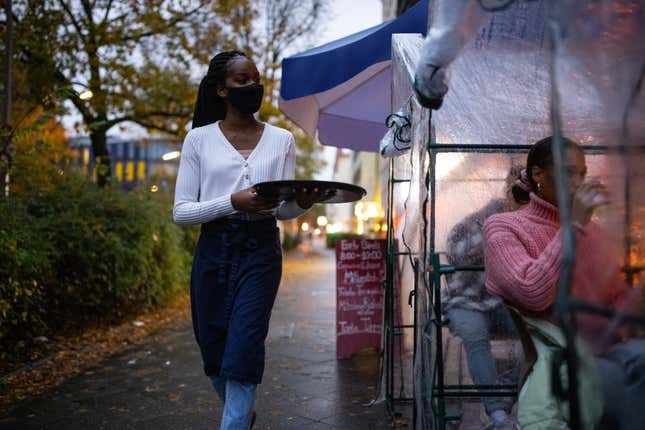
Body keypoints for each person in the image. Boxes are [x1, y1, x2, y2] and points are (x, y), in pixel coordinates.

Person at [173, 51, 326, 430]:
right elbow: (181, 212)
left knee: (243, 348)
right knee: (213, 348)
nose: (253, 87)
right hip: (214, 249)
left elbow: (281, 210)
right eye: (243, 81)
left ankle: (235, 420)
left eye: (256, 79)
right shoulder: (198, 140)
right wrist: (231, 201)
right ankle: (240, 412)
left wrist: (301, 205)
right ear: (221, 90)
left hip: (260, 251)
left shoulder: (282, 140)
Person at [483, 136, 645, 430]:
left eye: (582, 174)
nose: (578, 182)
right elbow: (532, 293)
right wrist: (574, 227)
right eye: (568, 172)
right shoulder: (503, 227)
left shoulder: (593, 232)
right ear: (538, 174)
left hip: (605, 348)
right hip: (564, 355)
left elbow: (618, 302)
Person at [443, 166, 523, 430]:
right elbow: (454, 249)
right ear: (507, 186)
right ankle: (497, 412)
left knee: (539, 335)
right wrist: (495, 231)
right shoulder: (488, 214)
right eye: (518, 186)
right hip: (466, 298)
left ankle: (501, 401)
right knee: (475, 336)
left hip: (505, 301)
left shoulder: (536, 217)